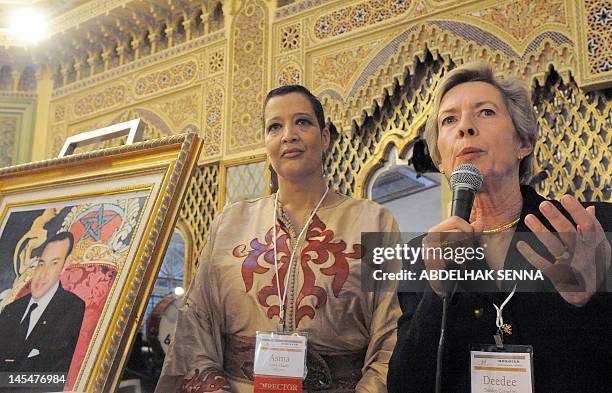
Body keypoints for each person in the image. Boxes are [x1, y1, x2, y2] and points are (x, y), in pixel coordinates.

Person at [156, 85, 401, 392]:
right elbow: (195, 330)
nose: (289, 135)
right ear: (266, 142)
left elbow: (390, 340)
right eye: (275, 126)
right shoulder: (230, 223)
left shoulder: (374, 221)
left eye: (302, 122)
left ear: (324, 137)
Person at [388, 62, 611, 393]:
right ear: (440, 160)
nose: (465, 127)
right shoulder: (421, 255)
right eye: (449, 120)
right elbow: (406, 385)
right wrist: (437, 294)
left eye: (485, 112)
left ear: (523, 142)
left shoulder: (589, 228)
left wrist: (593, 300)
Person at [0, 231, 85, 373]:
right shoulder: (11, 310)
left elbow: (56, 374)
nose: (43, 273)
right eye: (41, 263)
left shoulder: (72, 307)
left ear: (64, 266)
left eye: (54, 263)